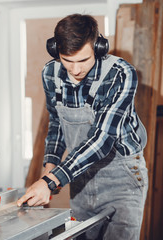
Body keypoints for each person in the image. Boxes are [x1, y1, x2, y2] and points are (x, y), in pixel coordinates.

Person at [17, 14, 148, 239]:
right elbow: (56, 123)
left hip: (122, 177)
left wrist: (51, 181)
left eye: (83, 60)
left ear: (98, 48)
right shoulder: (50, 73)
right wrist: (50, 168)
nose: (75, 70)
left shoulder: (121, 74)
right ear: (56, 50)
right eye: (68, 61)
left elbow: (103, 138)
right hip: (80, 176)